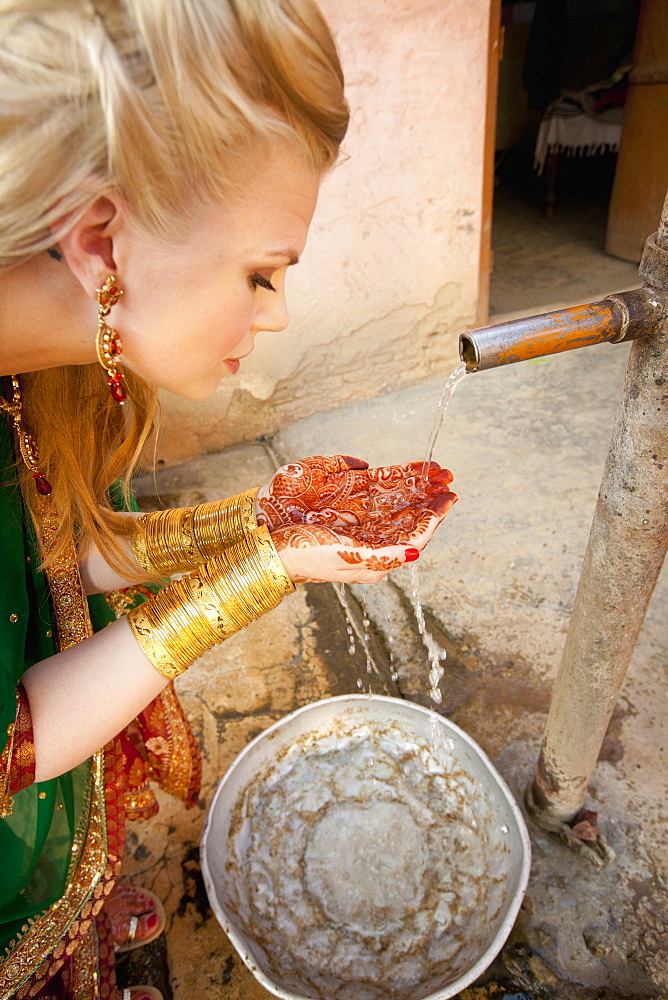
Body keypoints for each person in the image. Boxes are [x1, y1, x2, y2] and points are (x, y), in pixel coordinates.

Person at [0, 2, 457, 998]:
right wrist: (264, 568)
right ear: (100, 240)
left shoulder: (57, 368)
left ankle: (76, 899)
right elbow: (15, 741)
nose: (278, 312)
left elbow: (65, 559)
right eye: (260, 273)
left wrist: (263, 525)